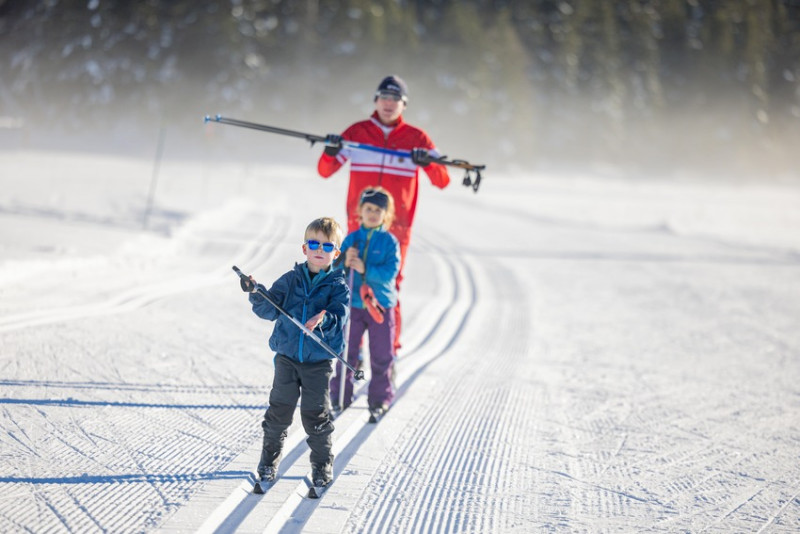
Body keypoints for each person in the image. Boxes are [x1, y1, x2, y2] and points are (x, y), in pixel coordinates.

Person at [317, 75, 451, 350]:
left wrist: (427, 161)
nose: (388, 104)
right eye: (384, 98)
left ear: (404, 105)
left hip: (396, 228)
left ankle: (388, 351)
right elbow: (325, 170)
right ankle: (351, 349)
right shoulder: (357, 133)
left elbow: (442, 180)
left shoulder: (417, 138)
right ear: (376, 101)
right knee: (350, 284)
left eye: (395, 100)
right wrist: (331, 151)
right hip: (358, 226)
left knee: (388, 287)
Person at [240, 217, 350, 489]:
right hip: (287, 359)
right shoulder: (291, 281)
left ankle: (322, 464)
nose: (319, 249)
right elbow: (270, 309)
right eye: (314, 243)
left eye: (327, 245)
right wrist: (257, 293)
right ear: (304, 248)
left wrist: (324, 320)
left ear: (336, 253)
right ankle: (269, 460)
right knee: (279, 411)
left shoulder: (338, 287)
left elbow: (339, 317)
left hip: (318, 363)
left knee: (315, 415)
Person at [330, 187, 401, 419]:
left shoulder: (389, 241)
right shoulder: (352, 239)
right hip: (354, 305)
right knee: (346, 351)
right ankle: (340, 396)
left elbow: (390, 272)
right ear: (360, 211)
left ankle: (380, 398)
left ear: (385, 214)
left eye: (378, 210)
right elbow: (336, 268)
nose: (372, 214)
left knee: (381, 353)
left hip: (380, 306)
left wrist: (365, 269)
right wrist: (343, 262)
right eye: (368, 209)